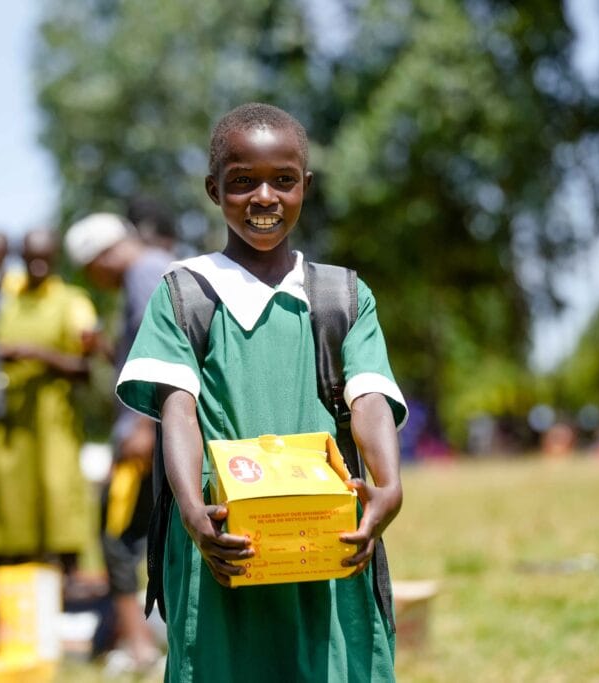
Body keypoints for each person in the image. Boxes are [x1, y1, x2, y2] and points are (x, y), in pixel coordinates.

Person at [115, 103, 406, 682]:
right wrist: (193, 512)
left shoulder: (341, 296)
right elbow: (178, 411)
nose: (264, 197)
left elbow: (368, 398)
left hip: (325, 535)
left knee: (330, 663)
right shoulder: (186, 294)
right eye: (243, 181)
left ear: (306, 186)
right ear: (214, 190)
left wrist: (389, 485)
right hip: (224, 536)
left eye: (284, 180)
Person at [64, 211, 174, 672]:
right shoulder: (159, 267)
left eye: (91, 271)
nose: (96, 281)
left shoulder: (143, 273)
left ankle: (140, 648)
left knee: (116, 535)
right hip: (160, 429)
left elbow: (163, 345)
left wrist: (144, 425)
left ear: (102, 257)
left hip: (147, 432)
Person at [0, 229, 96, 572]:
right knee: (11, 499)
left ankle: (71, 577)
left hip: (53, 418)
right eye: (31, 260)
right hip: (11, 418)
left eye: (45, 259)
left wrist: (35, 354)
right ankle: (17, 582)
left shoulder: (72, 301)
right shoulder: (4, 301)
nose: (38, 266)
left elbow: (85, 368)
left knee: (58, 491)